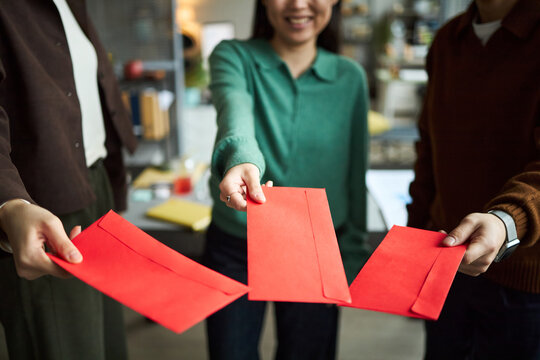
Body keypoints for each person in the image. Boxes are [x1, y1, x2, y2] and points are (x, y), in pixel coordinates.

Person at [202, 0, 370, 359]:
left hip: (316, 247)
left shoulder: (350, 77)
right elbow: (235, 112)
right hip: (237, 243)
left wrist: (352, 255)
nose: (298, 4)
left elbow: (356, 175)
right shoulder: (234, 56)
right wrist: (243, 160)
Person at [0, 0, 137, 359]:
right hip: (40, 209)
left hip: (96, 185)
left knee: (107, 341)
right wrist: (10, 201)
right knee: (67, 346)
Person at [407, 0, 540, 359]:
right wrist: (413, 236)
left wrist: (505, 221)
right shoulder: (449, 40)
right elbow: (430, 152)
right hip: (444, 265)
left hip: (526, 282)